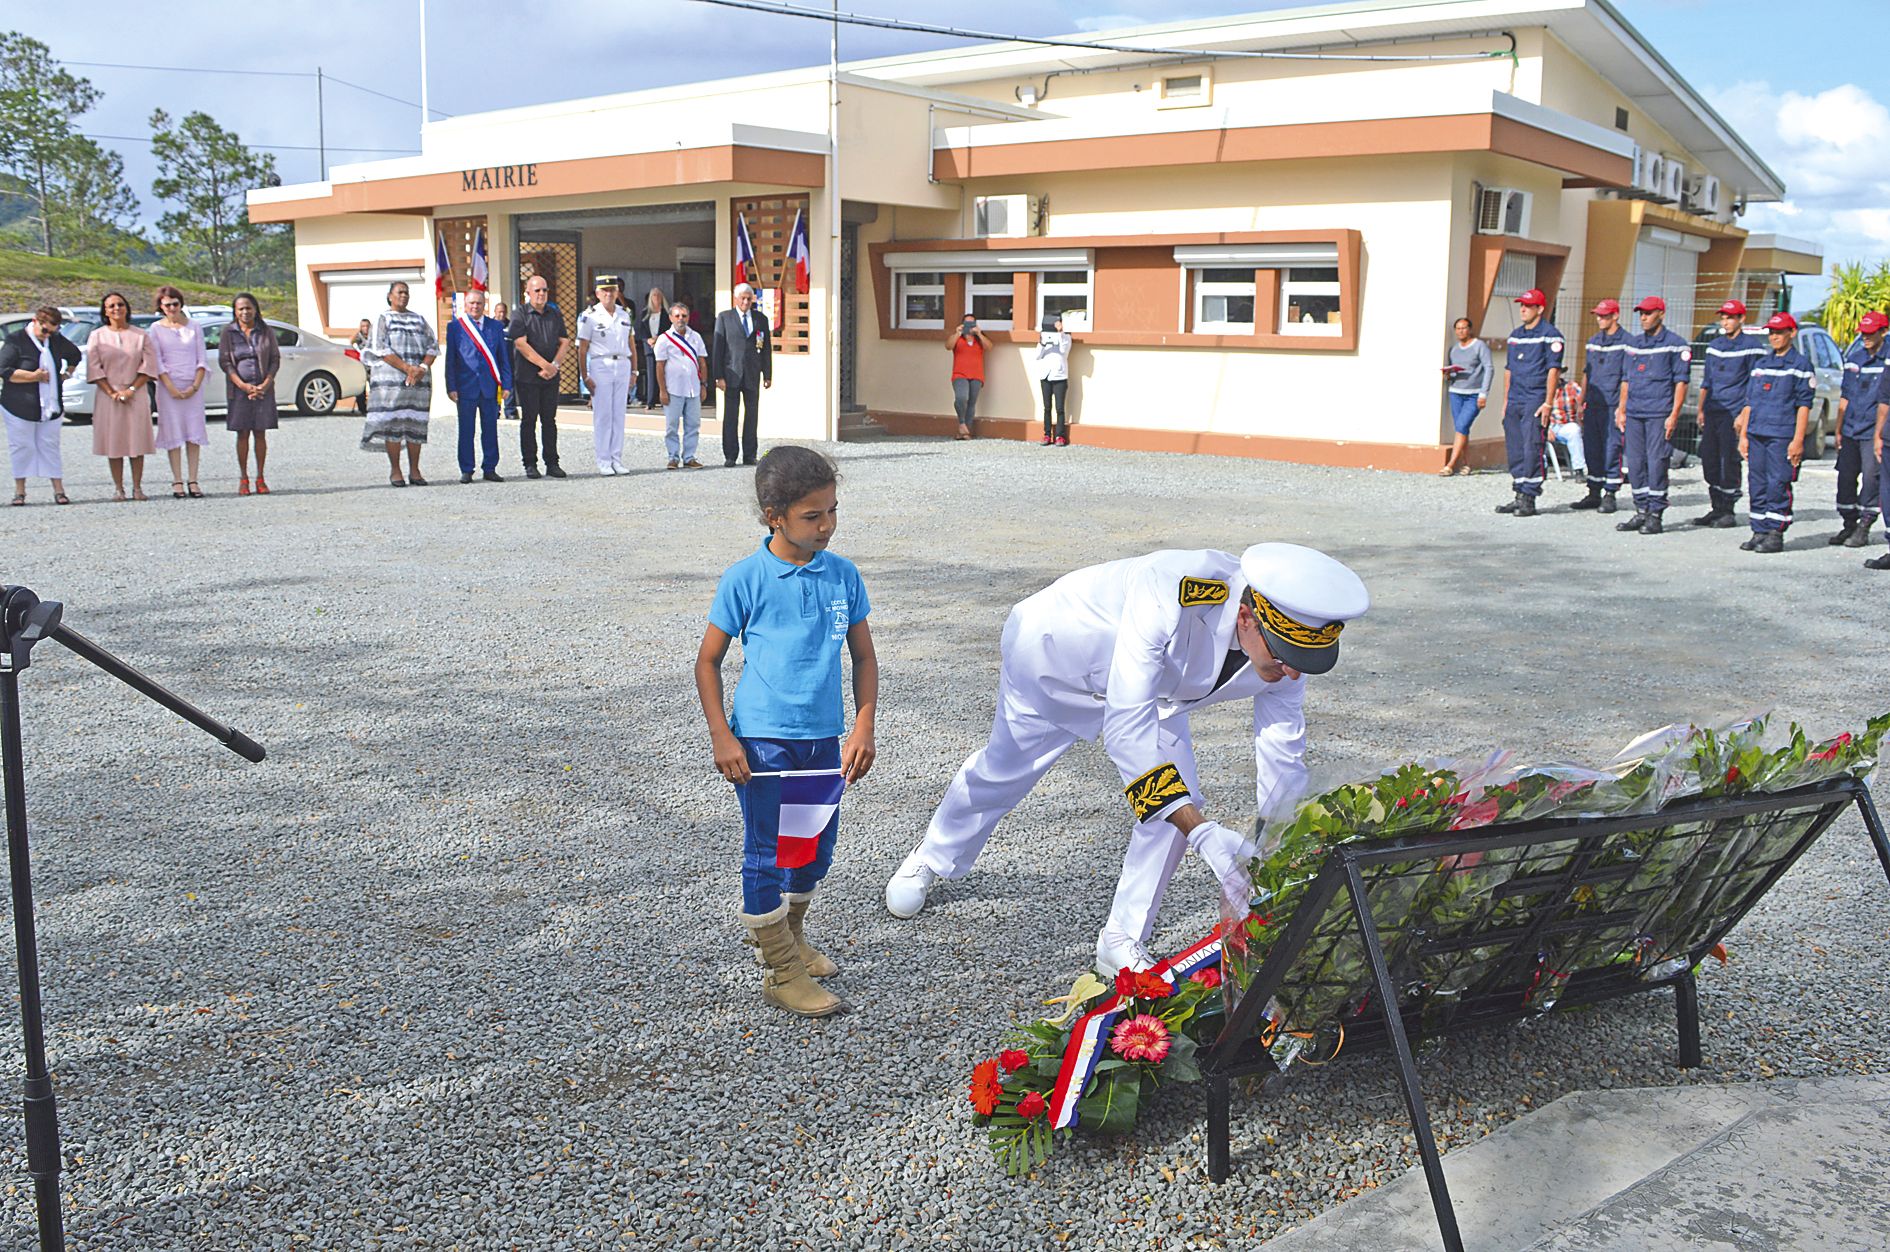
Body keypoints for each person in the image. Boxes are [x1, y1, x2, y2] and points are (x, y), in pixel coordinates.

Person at [885, 543, 1369, 976]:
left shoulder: (1287, 653)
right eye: (1282, 655)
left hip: (1154, 691)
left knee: (1175, 804)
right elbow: (1126, 730)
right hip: (1059, 660)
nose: (1291, 672)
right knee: (1004, 771)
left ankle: (1120, 940)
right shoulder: (1174, 590)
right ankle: (932, 856)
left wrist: (1280, 849)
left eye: (1301, 661)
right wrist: (1201, 831)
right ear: (1246, 617)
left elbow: (1283, 754)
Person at [695, 447, 878, 1018]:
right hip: (762, 742)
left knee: (812, 848)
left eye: (832, 511)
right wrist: (722, 736)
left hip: (822, 740)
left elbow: (864, 657)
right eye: (812, 516)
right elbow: (707, 661)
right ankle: (780, 971)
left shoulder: (843, 575)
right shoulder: (745, 579)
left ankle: (791, 937)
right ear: (774, 516)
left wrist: (863, 724)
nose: (826, 526)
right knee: (766, 854)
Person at [1735, 312, 1813, 555]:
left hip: (1782, 435)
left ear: (1792, 333)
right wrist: (1743, 436)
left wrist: (1798, 440)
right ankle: (1759, 530)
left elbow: (1804, 406)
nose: (1774, 337)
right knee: (1756, 483)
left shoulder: (1800, 366)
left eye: (1779, 332)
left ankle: (1775, 533)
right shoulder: (1761, 364)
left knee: (1778, 483)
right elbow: (1749, 402)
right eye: (1771, 332)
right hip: (1757, 433)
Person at [1613, 295, 1690, 536]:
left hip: (1658, 412)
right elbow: (1626, 379)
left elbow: (1681, 382)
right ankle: (1641, 509)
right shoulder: (1634, 345)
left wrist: (1674, 414)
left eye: (1648, 313)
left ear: (1661, 314)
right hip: (1635, 412)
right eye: (1641, 314)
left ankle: (1655, 514)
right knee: (1635, 462)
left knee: (1656, 462)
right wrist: (1621, 409)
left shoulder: (1675, 345)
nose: (1644, 318)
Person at [1691, 300, 1767, 528]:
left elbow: (1754, 385)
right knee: (1709, 459)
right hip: (1713, 410)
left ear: (1741, 319)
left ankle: (1728, 510)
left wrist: (1744, 415)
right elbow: (1707, 380)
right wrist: (1701, 409)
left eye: (1730, 318)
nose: (1725, 322)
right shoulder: (1714, 346)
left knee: (1729, 461)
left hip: (1733, 412)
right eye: (1723, 318)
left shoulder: (1752, 347)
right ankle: (1716, 507)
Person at [360, 280, 439, 487]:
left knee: (415, 424)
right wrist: (407, 368)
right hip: (392, 384)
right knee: (393, 425)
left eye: (406, 292)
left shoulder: (419, 319)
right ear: (390, 296)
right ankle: (395, 470)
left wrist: (422, 367)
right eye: (400, 292)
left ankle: (415, 470)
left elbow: (432, 345)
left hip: (418, 383)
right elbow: (380, 348)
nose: (403, 296)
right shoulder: (383, 319)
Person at [2, 306, 81, 506]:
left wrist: (66, 374)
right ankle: (20, 491)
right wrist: (33, 376)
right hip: (19, 405)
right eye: (45, 330)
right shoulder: (16, 339)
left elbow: (75, 355)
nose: (48, 335)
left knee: (50, 445)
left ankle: (59, 490)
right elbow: (3, 369)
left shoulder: (55, 340)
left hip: (51, 406)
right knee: (22, 446)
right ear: (35, 321)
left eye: (52, 332)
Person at [1495, 289, 1562, 516]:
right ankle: (1519, 493)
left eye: (1528, 306)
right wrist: (1506, 400)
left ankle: (1530, 497)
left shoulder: (1550, 336)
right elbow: (1509, 370)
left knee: (1532, 446)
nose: (1523, 309)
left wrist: (1548, 403)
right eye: (1521, 305)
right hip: (1516, 397)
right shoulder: (1515, 336)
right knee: (1515, 447)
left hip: (1535, 397)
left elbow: (1553, 370)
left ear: (1540, 309)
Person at [86, 292, 159, 502]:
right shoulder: (97, 336)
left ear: (127, 308)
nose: (116, 309)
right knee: (114, 442)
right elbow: (94, 367)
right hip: (107, 396)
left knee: (137, 441)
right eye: (111, 306)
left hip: (136, 393)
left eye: (120, 304)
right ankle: (119, 488)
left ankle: (137, 487)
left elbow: (148, 365)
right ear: (105, 311)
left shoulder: (141, 335)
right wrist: (111, 392)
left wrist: (131, 389)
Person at [1830, 311, 1888, 547]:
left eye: (1870, 333)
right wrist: (1838, 429)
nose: (1865, 337)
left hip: (1873, 430)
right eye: (1863, 333)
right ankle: (1849, 523)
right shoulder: (1854, 359)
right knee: (1845, 478)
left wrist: (1880, 434)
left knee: (1871, 480)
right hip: (1851, 428)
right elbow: (1845, 396)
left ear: (1883, 332)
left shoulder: (1887, 360)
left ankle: (1864, 525)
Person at [446, 289, 513, 484]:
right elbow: (451, 360)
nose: (475, 306)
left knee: (490, 429)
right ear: (465, 305)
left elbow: (503, 358)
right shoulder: (455, 327)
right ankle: (467, 469)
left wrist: (506, 384)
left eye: (479, 303)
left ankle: (490, 468)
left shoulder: (495, 326)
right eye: (472, 303)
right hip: (465, 387)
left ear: (485, 305)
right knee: (466, 430)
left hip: (489, 386)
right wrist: (451, 386)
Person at [149, 285, 209, 499]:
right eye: (167, 305)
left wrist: (195, 386)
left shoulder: (194, 326)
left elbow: (202, 358)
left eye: (175, 304)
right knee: (173, 433)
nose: (172, 308)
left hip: (194, 386)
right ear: (161, 307)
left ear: (181, 304)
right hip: (168, 389)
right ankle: (177, 480)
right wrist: (171, 387)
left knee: (194, 433)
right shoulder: (155, 329)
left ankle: (193, 479)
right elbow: (157, 360)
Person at [219, 293, 281, 495]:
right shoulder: (229, 332)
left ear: (255, 309)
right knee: (243, 433)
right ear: (235, 311)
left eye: (248, 308)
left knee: (260, 432)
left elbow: (274, 359)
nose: (245, 312)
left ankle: (260, 478)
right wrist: (243, 386)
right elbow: (225, 362)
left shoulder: (266, 331)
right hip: (239, 391)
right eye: (241, 309)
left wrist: (265, 384)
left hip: (263, 389)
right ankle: (243, 478)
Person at [509, 275, 569, 479]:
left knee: (549, 421)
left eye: (544, 290)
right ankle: (530, 463)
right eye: (537, 290)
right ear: (528, 292)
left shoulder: (555, 314)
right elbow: (521, 344)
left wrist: (554, 366)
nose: (541, 294)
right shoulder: (520, 314)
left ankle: (552, 463)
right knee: (529, 420)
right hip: (528, 377)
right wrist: (545, 365)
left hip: (550, 377)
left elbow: (564, 341)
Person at [1571, 299, 1629, 510]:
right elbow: (1588, 372)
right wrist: (1581, 401)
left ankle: (1610, 493)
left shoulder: (1627, 343)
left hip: (1612, 404)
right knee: (1592, 447)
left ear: (1615, 316)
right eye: (1598, 315)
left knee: (1612, 448)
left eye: (1604, 315)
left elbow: (1627, 378)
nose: (1599, 319)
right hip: (1594, 404)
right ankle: (1593, 491)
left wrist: (1622, 408)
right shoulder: (1593, 342)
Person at [578, 274, 636, 476]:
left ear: (617, 292)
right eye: (604, 291)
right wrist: (585, 376)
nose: (608, 294)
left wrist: (634, 371)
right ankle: (603, 461)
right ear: (597, 293)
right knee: (603, 415)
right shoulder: (590, 316)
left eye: (612, 290)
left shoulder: (624, 314)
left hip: (622, 364)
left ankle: (616, 459)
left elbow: (631, 344)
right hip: (601, 364)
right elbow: (582, 348)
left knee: (619, 414)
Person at [712, 283, 774, 466]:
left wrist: (767, 374)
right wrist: (718, 376)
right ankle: (730, 455)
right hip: (731, 373)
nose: (746, 302)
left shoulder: (760, 319)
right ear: (735, 299)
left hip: (752, 373)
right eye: (742, 298)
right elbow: (718, 348)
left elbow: (766, 348)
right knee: (731, 415)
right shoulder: (725, 318)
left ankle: (750, 454)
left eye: (749, 298)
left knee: (752, 415)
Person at [654, 299, 709, 469]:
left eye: (684, 316)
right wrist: (662, 390)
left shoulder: (696, 337)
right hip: (673, 389)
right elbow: (659, 366)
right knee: (672, 426)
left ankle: (689, 457)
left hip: (693, 389)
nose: (681, 319)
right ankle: (673, 457)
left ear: (689, 317)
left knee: (693, 425)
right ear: (671, 317)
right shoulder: (664, 339)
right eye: (677, 316)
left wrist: (704, 385)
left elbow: (702, 363)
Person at [1440, 316, 1490, 475]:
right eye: (1458, 329)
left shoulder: (1479, 346)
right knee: (1462, 428)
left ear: (1470, 329)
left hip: (1474, 394)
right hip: (1456, 392)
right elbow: (1454, 372)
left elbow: (1489, 368)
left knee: (1462, 426)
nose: (1461, 331)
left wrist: (1483, 393)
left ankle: (1450, 465)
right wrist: (1449, 374)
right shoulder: (1454, 349)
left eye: (1464, 328)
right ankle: (1466, 464)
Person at [946, 313, 992, 441]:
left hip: (976, 375)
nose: (970, 326)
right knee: (961, 398)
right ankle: (962, 423)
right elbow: (948, 346)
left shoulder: (979, 339)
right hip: (959, 374)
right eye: (967, 323)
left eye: (972, 323)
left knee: (971, 403)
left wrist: (979, 334)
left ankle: (965, 432)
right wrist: (957, 333)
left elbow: (989, 347)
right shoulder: (958, 338)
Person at [1037, 313, 1073, 446]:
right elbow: (1037, 355)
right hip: (1045, 376)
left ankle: (1060, 436)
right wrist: (1042, 342)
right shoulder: (1044, 336)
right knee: (1047, 407)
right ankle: (1047, 434)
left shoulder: (1066, 337)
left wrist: (1060, 333)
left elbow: (1064, 350)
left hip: (1059, 377)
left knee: (1059, 408)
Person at [1547, 375, 1588, 478]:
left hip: (1565, 425)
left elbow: (1584, 401)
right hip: (1548, 425)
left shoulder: (1571, 387)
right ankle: (1538, 471)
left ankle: (1579, 469)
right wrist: (1546, 428)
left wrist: (1582, 409)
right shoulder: (1540, 389)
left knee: (1574, 430)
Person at [640, 287, 669, 411]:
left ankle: (664, 399)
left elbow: (668, 330)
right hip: (650, 348)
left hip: (663, 347)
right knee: (651, 375)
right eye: (654, 295)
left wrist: (658, 338)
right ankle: (650, 401)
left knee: (664, 374)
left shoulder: (666, 314)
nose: (656, 298)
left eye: (658, 295)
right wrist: (648, 340)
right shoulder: (645, 313)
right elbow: (642, 330)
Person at [491, 300, 518, 421]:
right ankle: (494, 410)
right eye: (499, 312)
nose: (501, 314)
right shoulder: (489, 326)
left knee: (509, 386)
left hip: (508, 361)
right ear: (495, 312)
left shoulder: (511, 326)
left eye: (503, 312)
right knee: (493, 387)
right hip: (493, 362)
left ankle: (510, 410)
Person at [350, 318, 372, 413]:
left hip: (372, 365)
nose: (365, 328)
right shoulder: (358, 337)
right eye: (363, 326)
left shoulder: (373, 337)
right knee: (361, 387)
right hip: (361, 365)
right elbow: (352, 345)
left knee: (374, 386)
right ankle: (362, 408)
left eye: (367, 326)